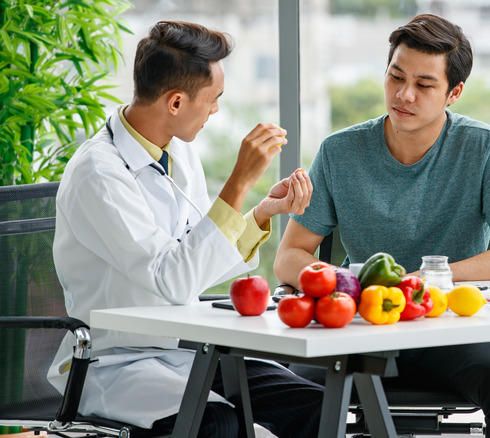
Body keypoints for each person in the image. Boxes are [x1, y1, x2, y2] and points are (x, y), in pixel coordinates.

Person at [48, 21, 322, 437]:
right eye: (213, 100)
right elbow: (172, 280)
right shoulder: (97, 174)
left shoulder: (178, 152)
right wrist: (238, 183)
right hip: (116, 361)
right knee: (220, 425)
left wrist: (261, 214)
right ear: (175, 101)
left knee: (313, 405)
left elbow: (193, 261)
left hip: (185, 350)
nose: (216, 111)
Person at [274, 13, 490, 437]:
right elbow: (289, 256)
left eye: (424, 85)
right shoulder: (340, 151)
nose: (404, 95)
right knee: (283, 389)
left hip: (450, 331)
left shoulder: (486, 147)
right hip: (358, 331)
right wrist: (348, 284)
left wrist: (424, 279)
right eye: (395, 77)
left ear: (454, 92)